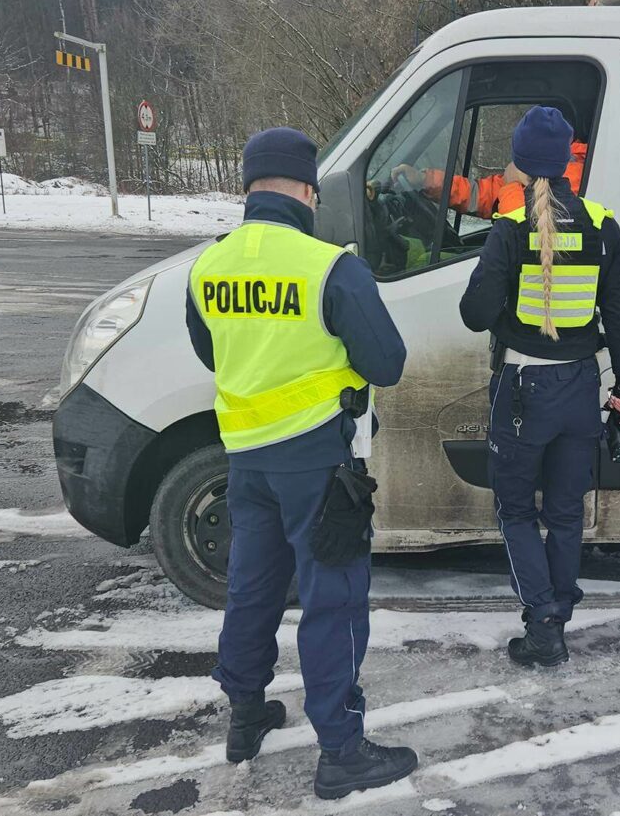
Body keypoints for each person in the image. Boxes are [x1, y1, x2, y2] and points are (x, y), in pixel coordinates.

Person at [185, 127, 417, 799]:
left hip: (246, 463)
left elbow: (212, 350)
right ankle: (341, 751)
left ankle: (246, 714)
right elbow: (387, 362)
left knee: (252, 587)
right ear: (309, 189)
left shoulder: (209, 266)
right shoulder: (329, 266)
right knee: (333, 599)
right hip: (317, 461)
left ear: (249, 187)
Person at [457, 107, 620, 667]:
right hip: (582, 387)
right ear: (565, 164)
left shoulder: (511, 227)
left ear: (519, 164)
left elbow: (474, 313)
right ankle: (559, 610)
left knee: (514, 511)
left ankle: (543, 626)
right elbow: (619, 314)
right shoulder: (604, 223)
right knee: (564, 511)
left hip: (523, 390)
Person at [393, 138, 589, 220]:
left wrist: (512, 184)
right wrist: (424, 180)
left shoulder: (579, 175)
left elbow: (525, 229)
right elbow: (480, 195)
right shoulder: (541, 164)